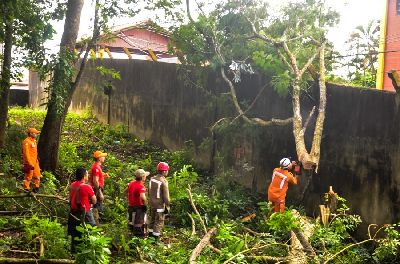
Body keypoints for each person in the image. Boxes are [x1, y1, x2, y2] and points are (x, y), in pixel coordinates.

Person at [67, 168, 97, 253]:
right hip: (84, 214)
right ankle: (89, 252)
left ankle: (74, 254)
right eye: (87, 174)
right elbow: (94, 200)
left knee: (75, 235)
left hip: (73, 213)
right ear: (84, 176)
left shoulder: (72, 185)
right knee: (91, 230)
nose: (88, 176)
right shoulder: (87, 186)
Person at [148, 162, 170, 240]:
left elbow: (149, 191)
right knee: (159, 222)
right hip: (159, 205)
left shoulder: (152, 179)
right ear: (164, 171)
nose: (167, 172)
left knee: (152, 220)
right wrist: (167, 206)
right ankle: (155, 240)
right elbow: (166, 197)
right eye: (167, 170)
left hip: (152, 204)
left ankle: (150, 237)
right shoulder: (163, 181)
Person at [127, 169, 150, 238]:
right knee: (139, 223)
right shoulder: (141, 186)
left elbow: (126, 191)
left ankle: (130, 236)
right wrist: (145, 204)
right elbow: (142, 197)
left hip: (131, 206)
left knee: (131, 222)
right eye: (145, 176)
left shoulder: (131, 183)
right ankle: (139, 238)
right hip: (139, 207)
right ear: (143, 177)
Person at [90, 150, 109, 225]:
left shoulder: (96, 166)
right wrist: (99, 192)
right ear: (99, 158)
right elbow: (95, 181)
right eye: (102, 156)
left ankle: (97, 222)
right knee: (97, 205)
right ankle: (97, 223)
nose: (104, 157)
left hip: (97, 188)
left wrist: (103, 176)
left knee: (97, 205)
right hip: (97, 189)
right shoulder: (96, 168)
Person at [22, 127, 41, 193]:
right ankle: (26, 188)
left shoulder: (34, 141)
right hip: (29, 162)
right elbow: (26, 153)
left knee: (37, 174)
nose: (36, 134)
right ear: (31, 133)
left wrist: (36, 160)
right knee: (28, 176)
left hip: (35, 161)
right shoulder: (26, 141)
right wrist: (29, 163)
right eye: (35, 133)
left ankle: (36, 187)